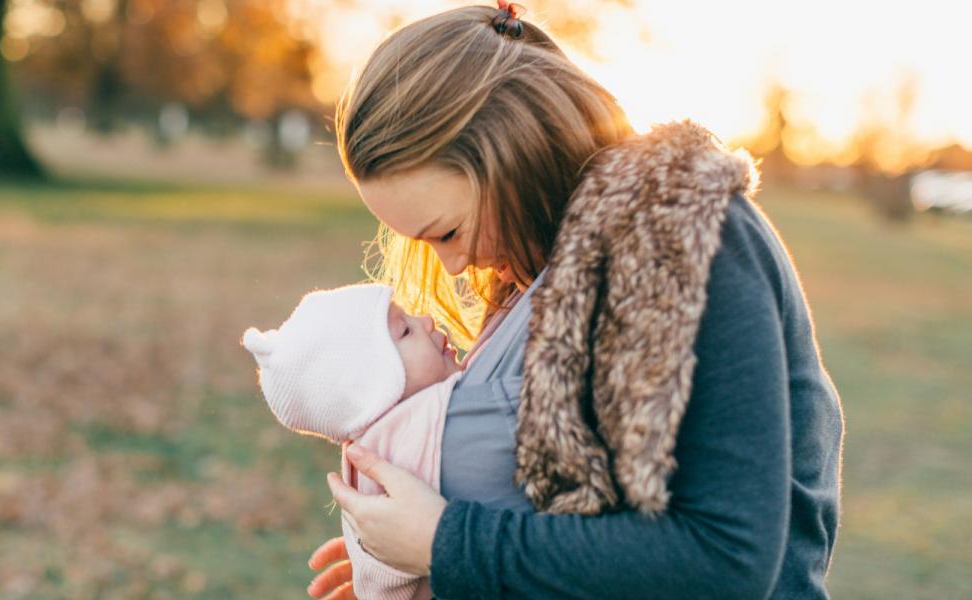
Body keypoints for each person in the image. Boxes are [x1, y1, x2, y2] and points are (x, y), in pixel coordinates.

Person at [306, 3, 845, 599]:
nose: (452, 266)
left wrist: (446, 542)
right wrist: (418, 566)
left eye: (448, 233)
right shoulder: (542, 267)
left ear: (509, 153)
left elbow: (725, 559)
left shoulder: (687, 235)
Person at [241, 283, 463, 600]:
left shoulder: (400, 428)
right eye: (405, 331)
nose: (426, 320)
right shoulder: (400, 443)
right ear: (374, 391)